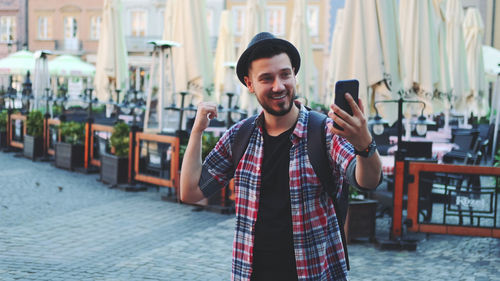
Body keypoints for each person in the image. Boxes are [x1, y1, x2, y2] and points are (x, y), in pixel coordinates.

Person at [180, 32, 382, 281]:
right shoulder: (239, 137)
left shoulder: (323, 132)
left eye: (285, 74)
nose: (279, 86)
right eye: (266, 78)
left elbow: (368, 180)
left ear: (294, 73)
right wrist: (197, 131)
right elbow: (190, 192)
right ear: (250, 84)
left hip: (314, 273)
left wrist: (364, 142)